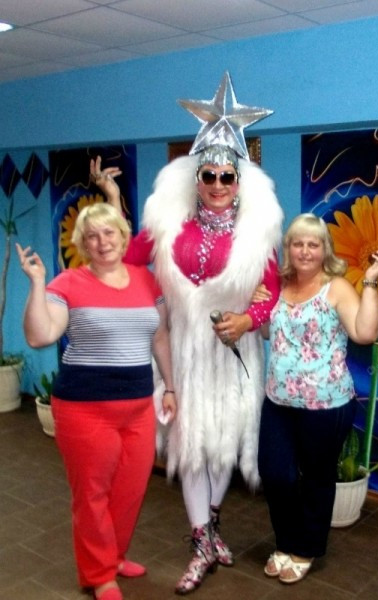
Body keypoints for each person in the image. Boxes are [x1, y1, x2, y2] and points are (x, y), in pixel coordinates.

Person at [90, 72, 284, 594]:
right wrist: (113, 198)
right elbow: (128, 259)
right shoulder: (169, 227)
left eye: (226, 176)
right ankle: (202, 543)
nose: (218, 185)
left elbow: (271, 295)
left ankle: (210, 530)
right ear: (196, 178)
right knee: (190, 445)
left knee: (223, 446)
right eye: (209, 175)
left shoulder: (257, 237)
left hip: (234, 355)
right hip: (184, 355)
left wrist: (248, 320)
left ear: (239, 181)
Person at [16, 203, 177, 600]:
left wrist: (172, 387)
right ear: (83, 244)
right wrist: (37, 283)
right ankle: (99, 574)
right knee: (92, 495)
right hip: (84, 409)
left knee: (130, 490)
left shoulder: (147, 280)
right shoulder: (69, 282)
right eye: (92, 236)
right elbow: (40, 335)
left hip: (138, 407)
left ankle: (115, 556)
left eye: (109, 233)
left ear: (123, 238)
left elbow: (159, 337)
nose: (102, 242)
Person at [257, 213, 378, 585]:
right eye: (298, 243)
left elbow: (365, 333)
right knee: (275, 473)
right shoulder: (279, 284)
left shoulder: (337, 287)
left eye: (313, 244)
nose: (305, 250)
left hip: (326, 405)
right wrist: (259, 305)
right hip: (278, 401)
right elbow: (268, 333)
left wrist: (370, 282)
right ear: (288, 248)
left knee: (317, 478)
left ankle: (305, 548)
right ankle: (285, 541)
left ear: (324, 250)